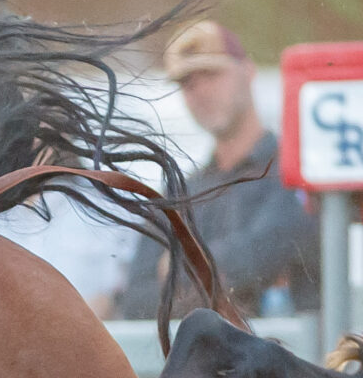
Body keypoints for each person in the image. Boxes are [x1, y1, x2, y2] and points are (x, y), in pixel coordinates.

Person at [115, 20, 319, 321]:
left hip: (287, 359)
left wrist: (176, 270)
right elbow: (135, 302)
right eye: (188, 83)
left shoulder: (296, 171)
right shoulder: (181, 193)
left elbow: (265, 255)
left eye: (211, 74)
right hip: (209, 362)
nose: (201, 91)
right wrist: (216, 275)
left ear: (248, 72)